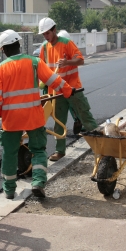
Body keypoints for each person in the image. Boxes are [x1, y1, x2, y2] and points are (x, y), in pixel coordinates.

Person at [0, 29, 75, 199]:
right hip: (33, 118)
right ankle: (38, 182)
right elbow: (53, 80)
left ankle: (9, 190)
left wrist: (0, 113)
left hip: (11, 121)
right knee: (38, 150)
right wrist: (67, 91)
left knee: (9, 153)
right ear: (19, 45)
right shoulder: (35, 62)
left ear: (3, 50)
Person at [38, 17, 98, 161]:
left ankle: (101, 146)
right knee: (59, 121)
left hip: (72, 89)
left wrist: (67, 62)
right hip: (57, 91)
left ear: (54, 30)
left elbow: (81, 60)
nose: (46, 36)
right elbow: (42, 67)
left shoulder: (66, 43)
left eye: (48, 33)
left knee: (85, 116)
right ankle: (60, 151)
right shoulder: (44, 48)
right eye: (44, 34)